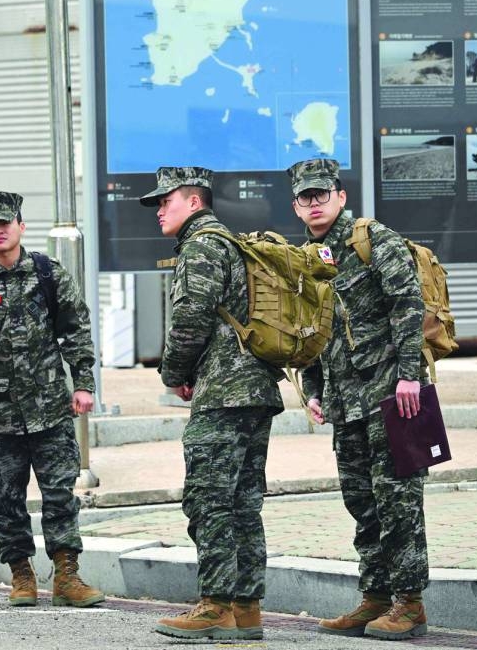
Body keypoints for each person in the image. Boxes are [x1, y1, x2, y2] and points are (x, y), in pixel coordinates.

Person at [0, 191, 104, 609]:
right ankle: (21, 576)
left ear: (20, 227)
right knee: (7, 499)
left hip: (51, 410)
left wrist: (83, 383)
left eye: (5, 224)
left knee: (60, 496)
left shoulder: (49, 275)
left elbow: (76, 329)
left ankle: (67, 576)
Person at [140, 167, 284, 641]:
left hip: (224, 391)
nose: (160, 209)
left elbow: (192, 315)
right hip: (255, 388)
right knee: (243, 501)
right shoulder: (231, 243)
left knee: (209, 498)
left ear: (195, 202)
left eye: (167, 201)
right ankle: (247, 607)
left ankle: (215, 605)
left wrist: (174, 372)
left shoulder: (202, 244)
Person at [290, 157, 430, 641]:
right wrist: (313, 390)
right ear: (296, 205)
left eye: (321, 195)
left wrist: (409, 376)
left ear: (340, 197)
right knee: (361, 500)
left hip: (392, 391)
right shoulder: (305, 259)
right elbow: (309, 331)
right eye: (305, 197)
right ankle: (375, 597)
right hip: (344, 400)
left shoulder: (373, 240)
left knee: (398, 499)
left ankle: (409, 603)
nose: (314, 204)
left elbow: (408, 303)